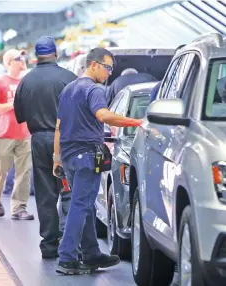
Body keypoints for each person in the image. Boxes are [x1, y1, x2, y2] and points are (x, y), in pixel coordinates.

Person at [53, 47, 143, 274]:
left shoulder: (68, 89)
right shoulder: (94, 90)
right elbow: (103, 115)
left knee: (85, 206)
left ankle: (91, 253)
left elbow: (59, 126)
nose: (109, 73)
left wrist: (57, 158)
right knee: (80, 205)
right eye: (107, 67)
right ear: (93, 65)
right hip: (86, 156)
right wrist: (138, 123)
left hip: (70, 156)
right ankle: (67, 258)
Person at [14, 36, 77, 258]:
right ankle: (69, 241)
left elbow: (19, 116)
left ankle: (49, 245)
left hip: (39, 140)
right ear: (56, 52)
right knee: (69, 190)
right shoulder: (69, 78)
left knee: (45, 194)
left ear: (36, 55)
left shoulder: (26, 81)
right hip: (66, 141)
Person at [0, 49, 34, 221]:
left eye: (24, 57)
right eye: (18, 58)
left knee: (24, 172)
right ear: (8, 62)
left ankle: (19, 208)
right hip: (4, 134)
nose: (23, 60)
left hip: (25, 134)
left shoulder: (28, 83)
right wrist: (12, 104)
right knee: (1, 172)